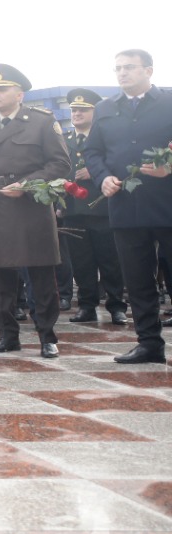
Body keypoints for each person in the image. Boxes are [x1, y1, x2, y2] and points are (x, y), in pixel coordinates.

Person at [0, 64, 68, 358]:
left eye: (1, 89)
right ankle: (7, 335)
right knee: (2, 277)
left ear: (19, 94)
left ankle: (47, 336)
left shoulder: (41, 121)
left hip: (31, 209)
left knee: (41, 277)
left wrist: (28, 184)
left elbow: (60, 164)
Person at [83, 50, 172, 364]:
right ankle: (149, 343)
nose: (122, 74)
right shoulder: (106, 108)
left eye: (129, 68)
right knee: (137, 279)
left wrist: (169, 166)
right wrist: (103, 177)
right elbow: (92, 151)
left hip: (167, 203)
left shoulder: (169, 101)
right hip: (126, 205)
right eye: (118, 69)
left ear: (148, 70)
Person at [62, 89, 127, 325]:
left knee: (109, 260)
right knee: (81, 262)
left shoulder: (105, 139)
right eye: (74, 110)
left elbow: (122, 163)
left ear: (95, 112)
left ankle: (116, 305)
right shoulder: (64, 141)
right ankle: (87, 306)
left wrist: (96, 171)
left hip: (102, 209)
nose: (77, 113)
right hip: (73, 211)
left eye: (83, 110)